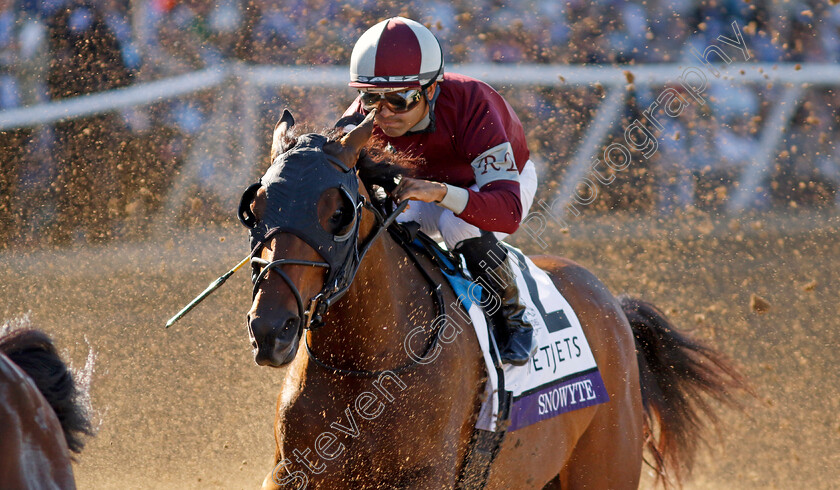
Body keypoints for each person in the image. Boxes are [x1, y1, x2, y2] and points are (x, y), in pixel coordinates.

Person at [340, 17, 538, 366]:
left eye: (400, 100)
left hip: (498, 185)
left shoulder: (473, 103)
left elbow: (507, 212)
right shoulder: (361, 118)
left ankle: (512, 316)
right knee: (383, 224)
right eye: (370, 97)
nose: (382, 113)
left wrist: (441, 192)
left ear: (431, 89)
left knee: (456, 224)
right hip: (421, 188)